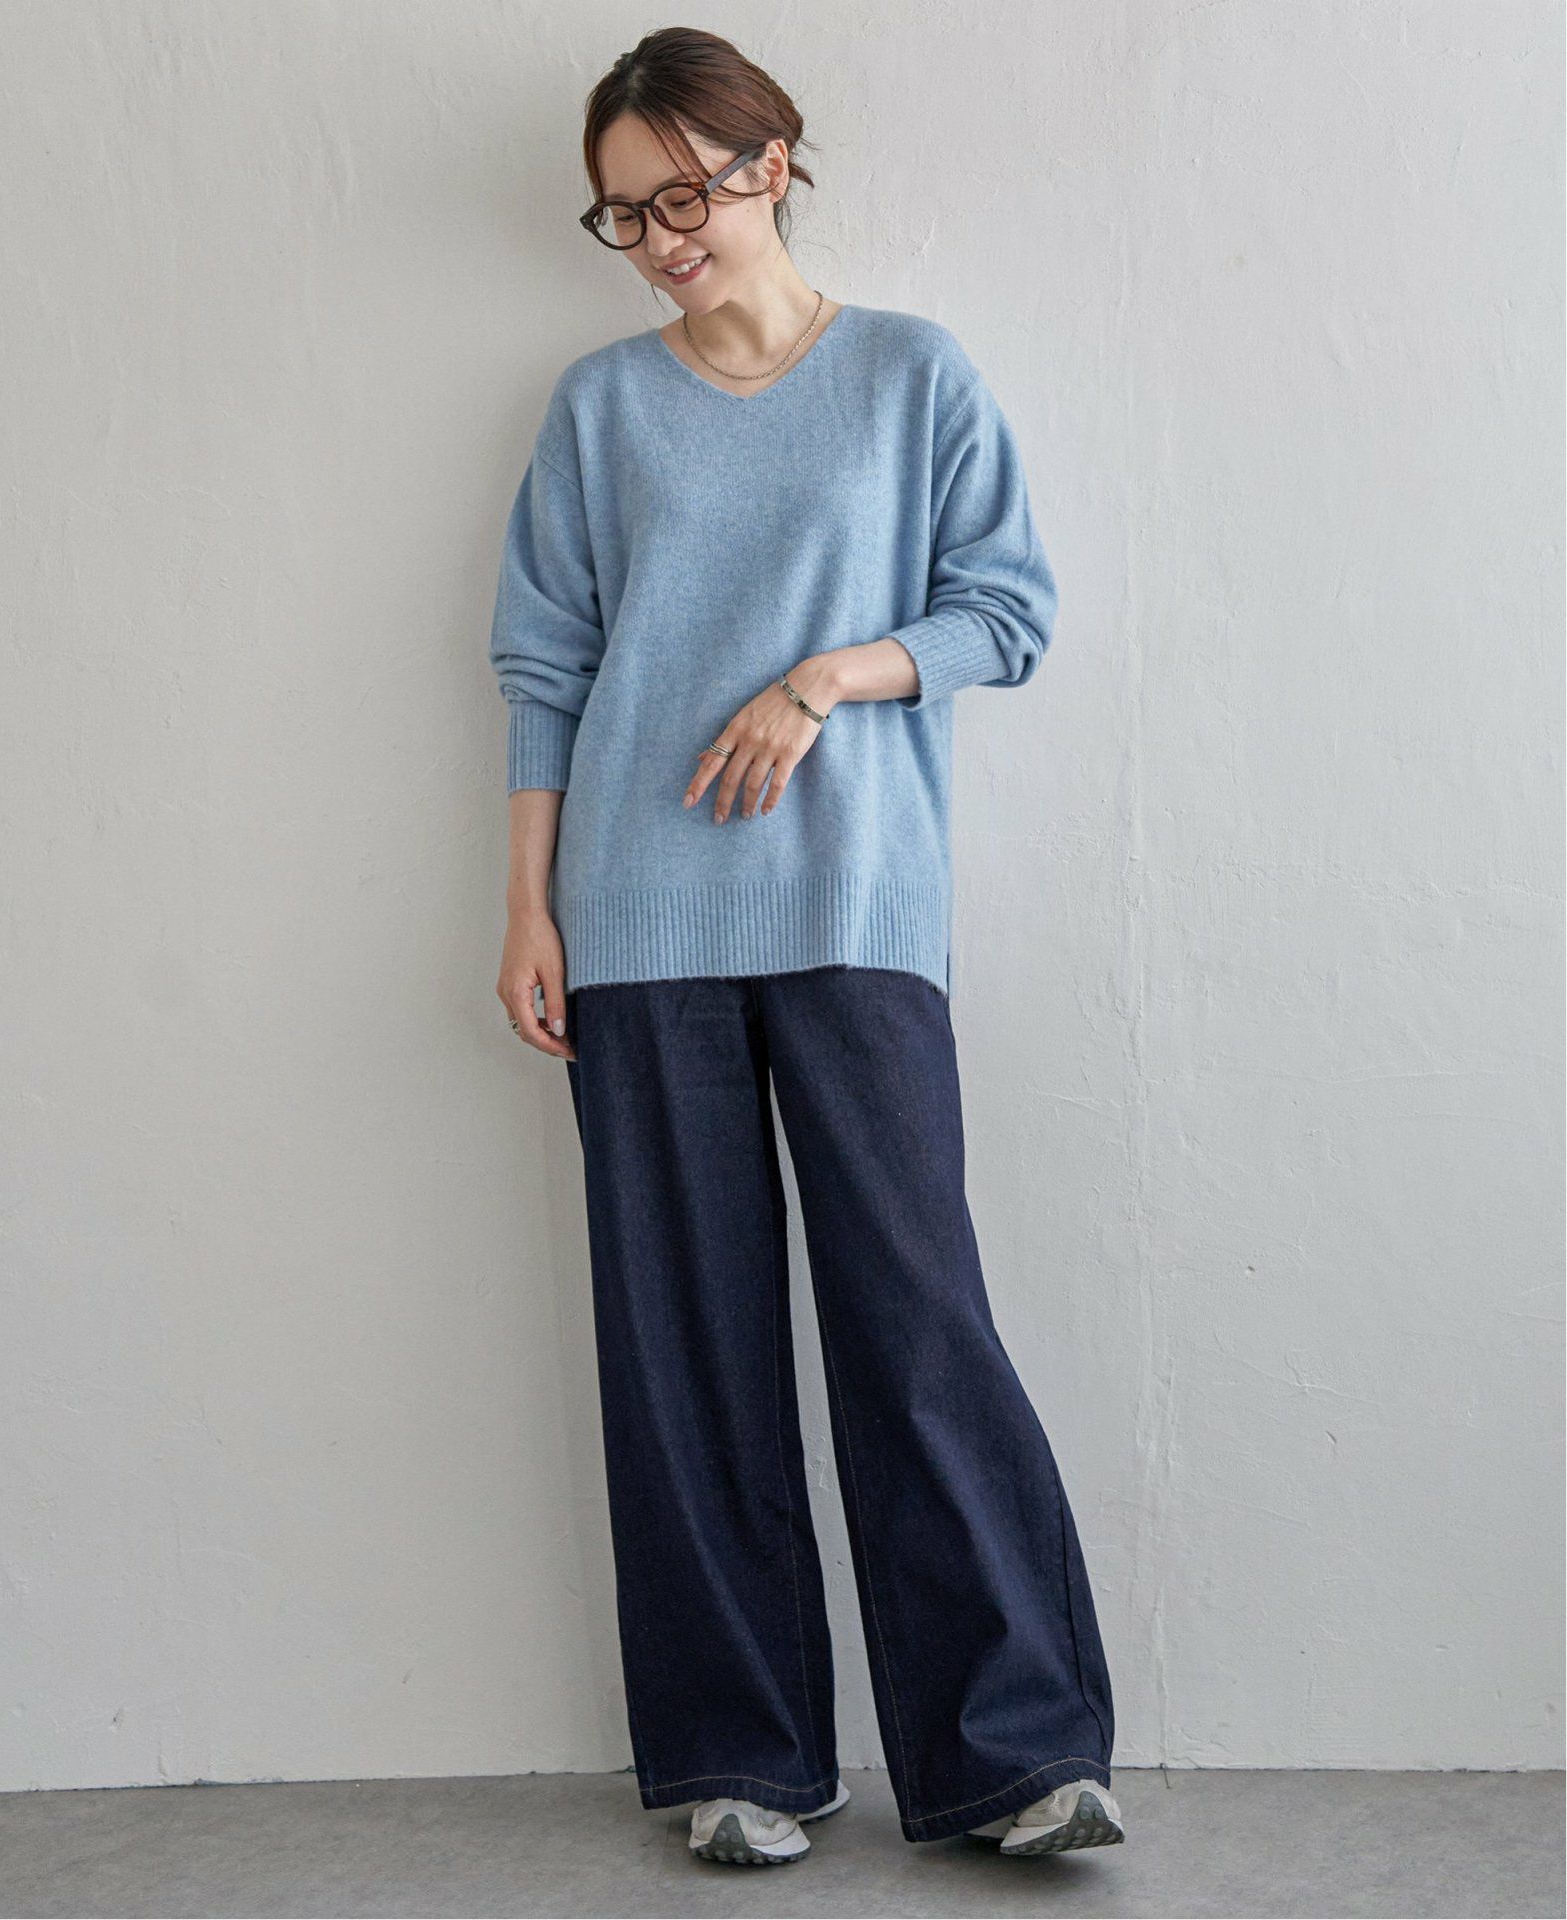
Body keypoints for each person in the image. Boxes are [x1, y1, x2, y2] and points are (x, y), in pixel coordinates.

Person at [487, 26, 1124, 1870]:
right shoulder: (600, 408)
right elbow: (544, 664)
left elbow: (1007, 611)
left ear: (772, 163)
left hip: (856, 906)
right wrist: (528, 905)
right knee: (683, 1340)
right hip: (635, 917)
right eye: (625, 215)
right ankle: (743, 1756)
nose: (661, 239)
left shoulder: (914, 376)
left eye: (683, 194)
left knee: (915, 1316)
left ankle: (1013, 1753)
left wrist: (833, 675)